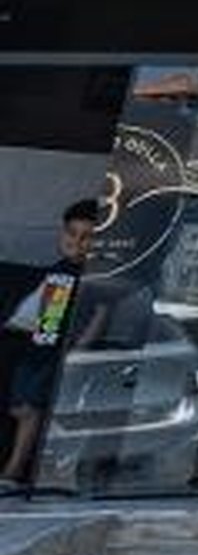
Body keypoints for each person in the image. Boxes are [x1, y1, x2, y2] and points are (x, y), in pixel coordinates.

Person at [1, 200, 106, 498]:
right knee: (21, 405)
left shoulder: (91, 278)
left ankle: (16, 468)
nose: (77, 242)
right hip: (32, 344)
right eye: (72, 234)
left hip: (50, 350)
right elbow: (43, 312)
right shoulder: (59, 271)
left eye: (87, 237)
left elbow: (99, 313)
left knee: (30, 407)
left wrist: (80, 348)